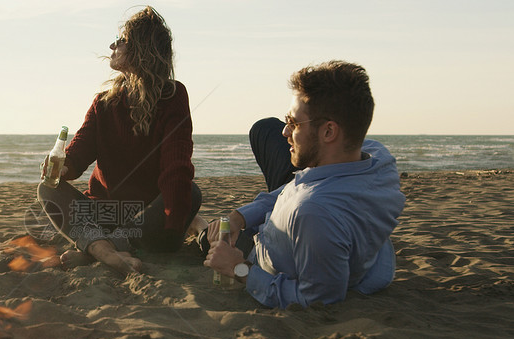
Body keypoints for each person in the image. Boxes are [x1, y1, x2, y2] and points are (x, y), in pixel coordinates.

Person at [203, 60, 405, 308]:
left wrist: (239, 268)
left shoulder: (313, 213)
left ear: (329, 132)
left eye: (294, 123)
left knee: (207, 240)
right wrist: (240, 217)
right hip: (299, 231)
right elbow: (291, 187)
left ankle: (196, 226)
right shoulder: (378, 157)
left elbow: (318, 298)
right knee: (265, 129)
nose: (285, 132)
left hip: (263, 255)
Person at [37, 6, 201, 274]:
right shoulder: (104, 102)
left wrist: (171, 229)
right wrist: (64, 167)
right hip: (103, 215)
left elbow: (176, 167)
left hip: (143, 217)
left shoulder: (172, 96)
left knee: (191, 192)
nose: (113, 45)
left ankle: (96, 250)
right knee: (47, 189)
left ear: (142, 49)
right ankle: (109, 253)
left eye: (122, 40)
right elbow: (79, 150)